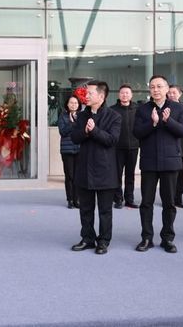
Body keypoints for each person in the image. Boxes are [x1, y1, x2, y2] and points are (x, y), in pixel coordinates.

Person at [133, 75, 183, 254]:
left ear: (167, 89)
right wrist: (153, 122)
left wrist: (167, 121)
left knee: (169, 203)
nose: (155, 90)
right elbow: (137, 133)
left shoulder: (179, 108)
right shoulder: (142, 109)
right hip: (149, 162)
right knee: (146, 203)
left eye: (159, 86)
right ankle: (146, 238)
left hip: (170, 162)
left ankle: (168, 238)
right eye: (152, 87)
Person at [69, 81, 121, 255]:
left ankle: (104, 241)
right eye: (86, 93)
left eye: (90, 93)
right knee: (85, 208)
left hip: (105, 170)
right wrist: (85, 131)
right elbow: (75, 137)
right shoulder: (83, 115)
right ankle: (87, 238)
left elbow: (111, 140)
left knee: (105, 210)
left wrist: (95, 131)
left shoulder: (114, 116)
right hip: (84, 167)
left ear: (101, 96)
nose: (86, 96)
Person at [109, 84, 140, 209]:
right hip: (117, 147)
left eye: (127, 93)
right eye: (122, 93)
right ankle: (117, 199)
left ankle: (129, 199)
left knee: (130, 174)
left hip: (133, 146)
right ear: (118, 95)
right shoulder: (112, 110)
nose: (124, 95)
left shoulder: (137, 109)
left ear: (131, 95)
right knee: (117, 174)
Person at [57, 95, 81, 209]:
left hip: (79, 149)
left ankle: (77, 199)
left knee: (78, 175)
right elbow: (62, 132)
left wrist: (76, 122)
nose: (73, 105)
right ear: (67, 104)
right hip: (67, 150)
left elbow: (83, 131)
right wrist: (71, 123)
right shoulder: (63, 116)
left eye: (76, 103)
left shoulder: (81, 116)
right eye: (71, 103)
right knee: (69, 175)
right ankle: (70, 199)